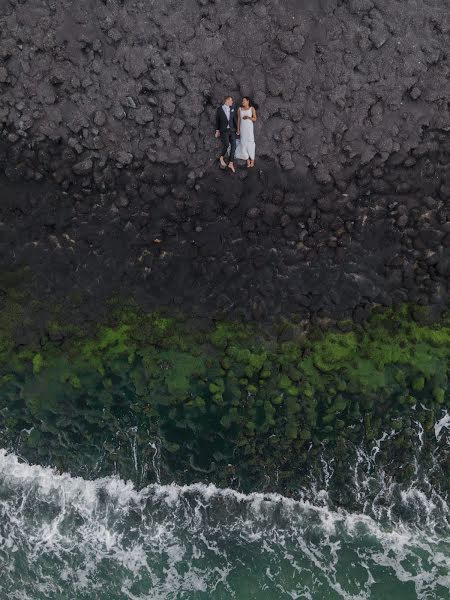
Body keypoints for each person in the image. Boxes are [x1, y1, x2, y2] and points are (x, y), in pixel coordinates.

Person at [215, 95, 238, 173]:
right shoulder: (219, 109)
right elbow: (217, 120)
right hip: (224, 130)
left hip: (232, 130)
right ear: (227, 101)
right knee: (227, 144)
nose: (232, 102)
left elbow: (234, 119)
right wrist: (217, 131)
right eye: (231, 100)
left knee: (234, 145)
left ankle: (231, 163)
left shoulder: (232, 109)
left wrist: (238, 129)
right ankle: (221, 157)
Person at [235, 97, 257, 168]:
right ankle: (247, 160)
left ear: (248, 101)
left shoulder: (252, 108)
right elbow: (238, 119)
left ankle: (252, 160)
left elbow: (255, 119)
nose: (242, 102)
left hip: (249, 128)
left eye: (244, 101)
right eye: (242, 101)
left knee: (251, 142)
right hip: (242, 128)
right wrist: (238, 129)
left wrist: (248, 117)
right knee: (243, 143)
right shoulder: (239, 109)